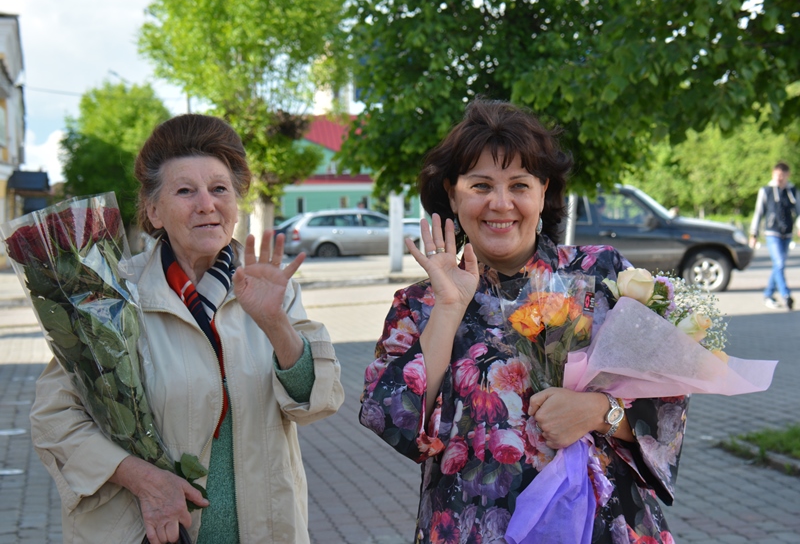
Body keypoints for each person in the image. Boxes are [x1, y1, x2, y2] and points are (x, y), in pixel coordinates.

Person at [359, 99, 687, 543]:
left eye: (519, 185)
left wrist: (599, 411)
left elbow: (667, 397)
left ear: (543, 190)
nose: (501, 203)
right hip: (476, 526)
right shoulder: (418, 305)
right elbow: (395, 422)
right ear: (452, 194)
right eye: (480, 185)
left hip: (600, 523)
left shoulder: (603, 275)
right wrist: (449, 308)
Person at [30, 114, 345, 543]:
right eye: (185, 191)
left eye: (219, 189)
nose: (206, 204)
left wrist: (275, 324)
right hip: (150, 532)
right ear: (154, 211)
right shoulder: (108, 295)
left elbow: (318, 402)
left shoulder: (271, 287)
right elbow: (54, 417)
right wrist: (142, 478)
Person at [749, 161, 800, 311]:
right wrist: (753, 233)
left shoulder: (792, 191)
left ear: (787, 175)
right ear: (773, 174)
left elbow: (799, 212)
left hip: (787, 233)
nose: (779, 178)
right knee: (779, 263)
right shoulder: (766, 191)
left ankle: (768, 294)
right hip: (772, 232)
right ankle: (786, 295)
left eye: (782, 176)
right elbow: (758, 213)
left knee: (779, 265)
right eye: (777, 175)